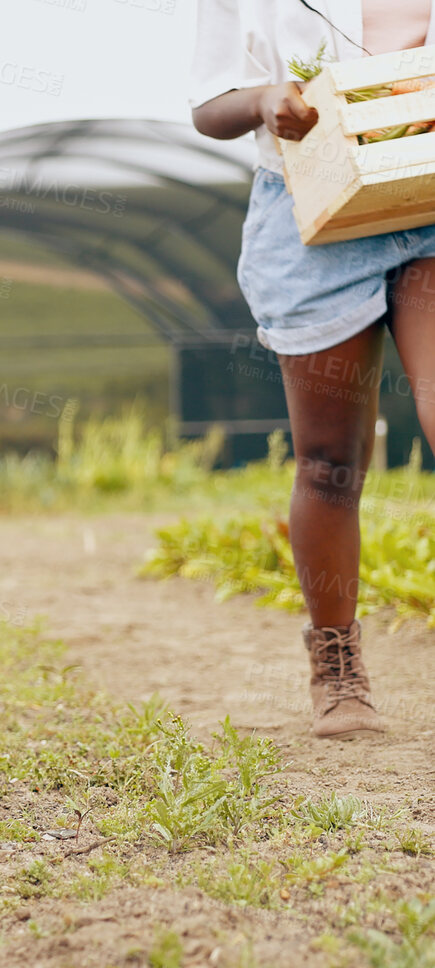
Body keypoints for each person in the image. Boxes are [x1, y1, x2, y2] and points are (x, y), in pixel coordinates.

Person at [190, 0, 435, 737]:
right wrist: (267, 100)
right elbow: (209, 105)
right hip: (309, 204)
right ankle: (335, 663)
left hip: (424, 186)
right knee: (329, 462)